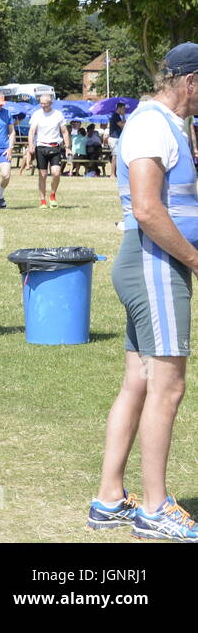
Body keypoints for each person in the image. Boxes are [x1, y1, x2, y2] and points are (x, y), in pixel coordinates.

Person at [91, 43, 198, 540]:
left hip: (153, 263)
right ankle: (155, 509)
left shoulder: (173, 125)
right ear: (189, 81)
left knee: (139, 381)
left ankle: (110, 498)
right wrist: (196, 261)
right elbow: (147, 210)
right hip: (156, 264)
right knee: (168, 386)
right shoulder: (152, 124)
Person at [27, 93, 72, 208]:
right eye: (41, 103)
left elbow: (65, 131)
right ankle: (43, 201)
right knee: (43, 175)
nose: (42, 106)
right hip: (41, 147)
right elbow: (32, 131)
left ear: (51, 103)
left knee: (56, 173)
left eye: (45, 104)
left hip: (55, 146)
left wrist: (67, 148)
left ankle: (52, 195)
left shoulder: (58, 115)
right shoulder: (37, 114)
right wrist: (31, 144)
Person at [108, 101, 128, 175]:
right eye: (123, 109)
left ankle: (115, 173)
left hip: (116, 138)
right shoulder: (116, 116)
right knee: (115, 156)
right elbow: (123, 126)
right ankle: (112, 174)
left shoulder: (117, 116)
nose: (124, 110)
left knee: (117, 156)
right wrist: (124, 117)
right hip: (114, 138)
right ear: (119, 108)